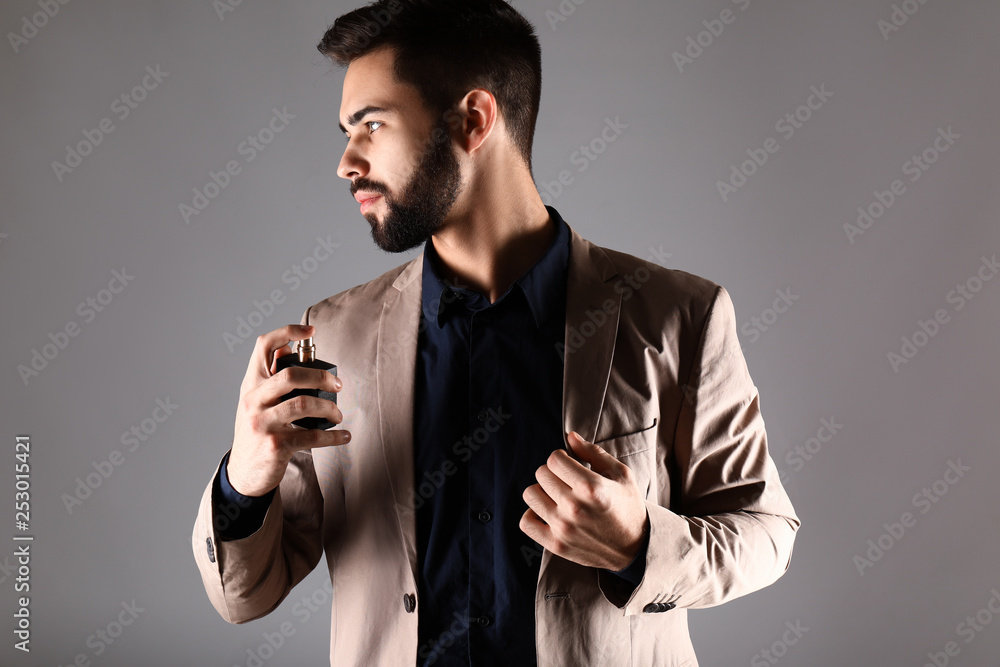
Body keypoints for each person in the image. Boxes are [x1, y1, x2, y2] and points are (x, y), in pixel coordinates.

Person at [190, 1, 801, 665]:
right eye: (346, 130)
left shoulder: (680, 315)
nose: (345, 161)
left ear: (474, 119)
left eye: (371, 125)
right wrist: (244, 480)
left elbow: (765, 533)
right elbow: (243, 595)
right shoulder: (331, 333)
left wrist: (640, 541)